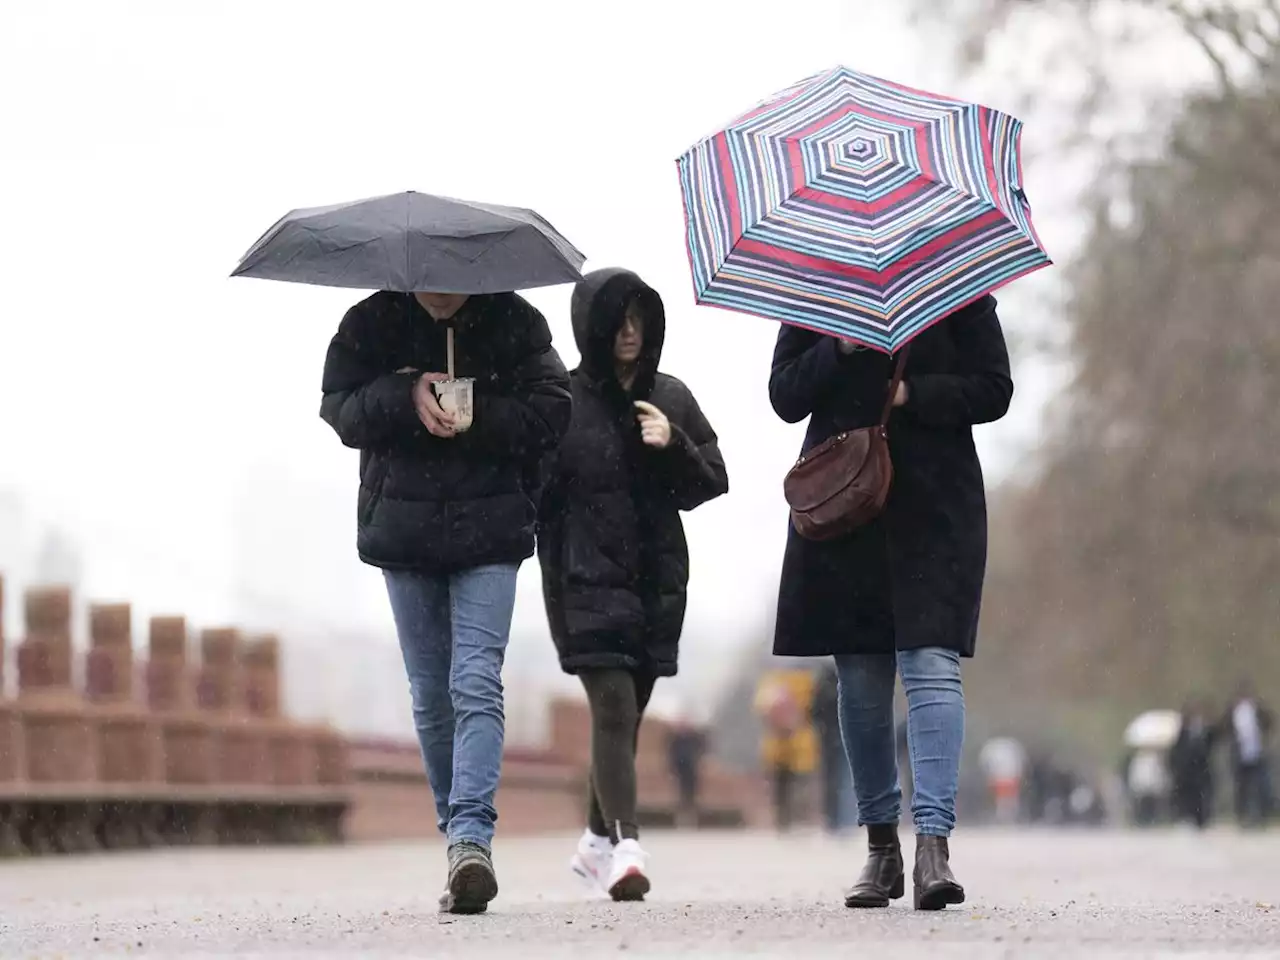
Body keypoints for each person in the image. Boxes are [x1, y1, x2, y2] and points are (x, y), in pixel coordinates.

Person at [320, 289, 571, 914]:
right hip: (404, 532)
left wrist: (477, 406)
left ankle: (470, 838)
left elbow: (552, 413)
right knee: (431, 696)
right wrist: (407, 396)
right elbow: (338, 409)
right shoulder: (372, 322)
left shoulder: (514, 322)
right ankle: (456, 844)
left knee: (477, 680)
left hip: (490, 528)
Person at [769, 295, 1013, 912]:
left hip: (936, 504)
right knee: (862, 679)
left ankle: (934, 844)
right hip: (847, 500)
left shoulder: (955, 280)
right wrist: (839, 347)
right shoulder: (820, 282)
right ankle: (882, 847)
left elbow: (994, 389)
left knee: (932, 664)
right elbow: (783, 394)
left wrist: (912, 396)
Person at [536, 268, 728, 901]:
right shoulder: (559, 401)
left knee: (628, 714)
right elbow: (532, 496)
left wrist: (672, 446)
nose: (628, 332)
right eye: (616, 320)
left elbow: (711, 482)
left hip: (655, 586)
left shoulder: (670, 396)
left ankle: (594, 842)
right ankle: (626, 847)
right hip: (583, 581)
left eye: (639, 319)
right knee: (613, 706)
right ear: (591, 326)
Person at [811, 661, 855, 834]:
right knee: (846, 779)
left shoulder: (821, 690)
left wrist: (822, 728)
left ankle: (833, 819)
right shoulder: (843, 688)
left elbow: (813, 713)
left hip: (828, 739)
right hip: (844, 737)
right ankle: (844, 819)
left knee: (831, 780)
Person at [1222, 682, 1274, 828]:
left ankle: (1261, 816)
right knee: (1241, 789)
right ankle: (1242, 816)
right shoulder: (1233, 711)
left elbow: (1269, 722)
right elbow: (1224, 727)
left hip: (1257, 754)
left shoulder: (1257, 710)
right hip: (1239, 756)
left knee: (1261, 787)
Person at [1171, 699, 1217, 829]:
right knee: (1189, 796)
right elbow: (1178, 749)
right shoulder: (1183, 730)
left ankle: (1202, 819)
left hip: (1202, 767)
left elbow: (1211, 742)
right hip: (1187, 769)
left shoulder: (1204, 729)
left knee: (1203, 794)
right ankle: (1189, 817)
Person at [665, 705, 708, 828]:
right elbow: (670, 753)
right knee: (680, 794)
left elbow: (702, 750)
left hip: (692, 769)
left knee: (692, 793)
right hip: (680, 769)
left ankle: (693, 818)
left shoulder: (695, 737)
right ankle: (682, 819)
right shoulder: (674, 737)